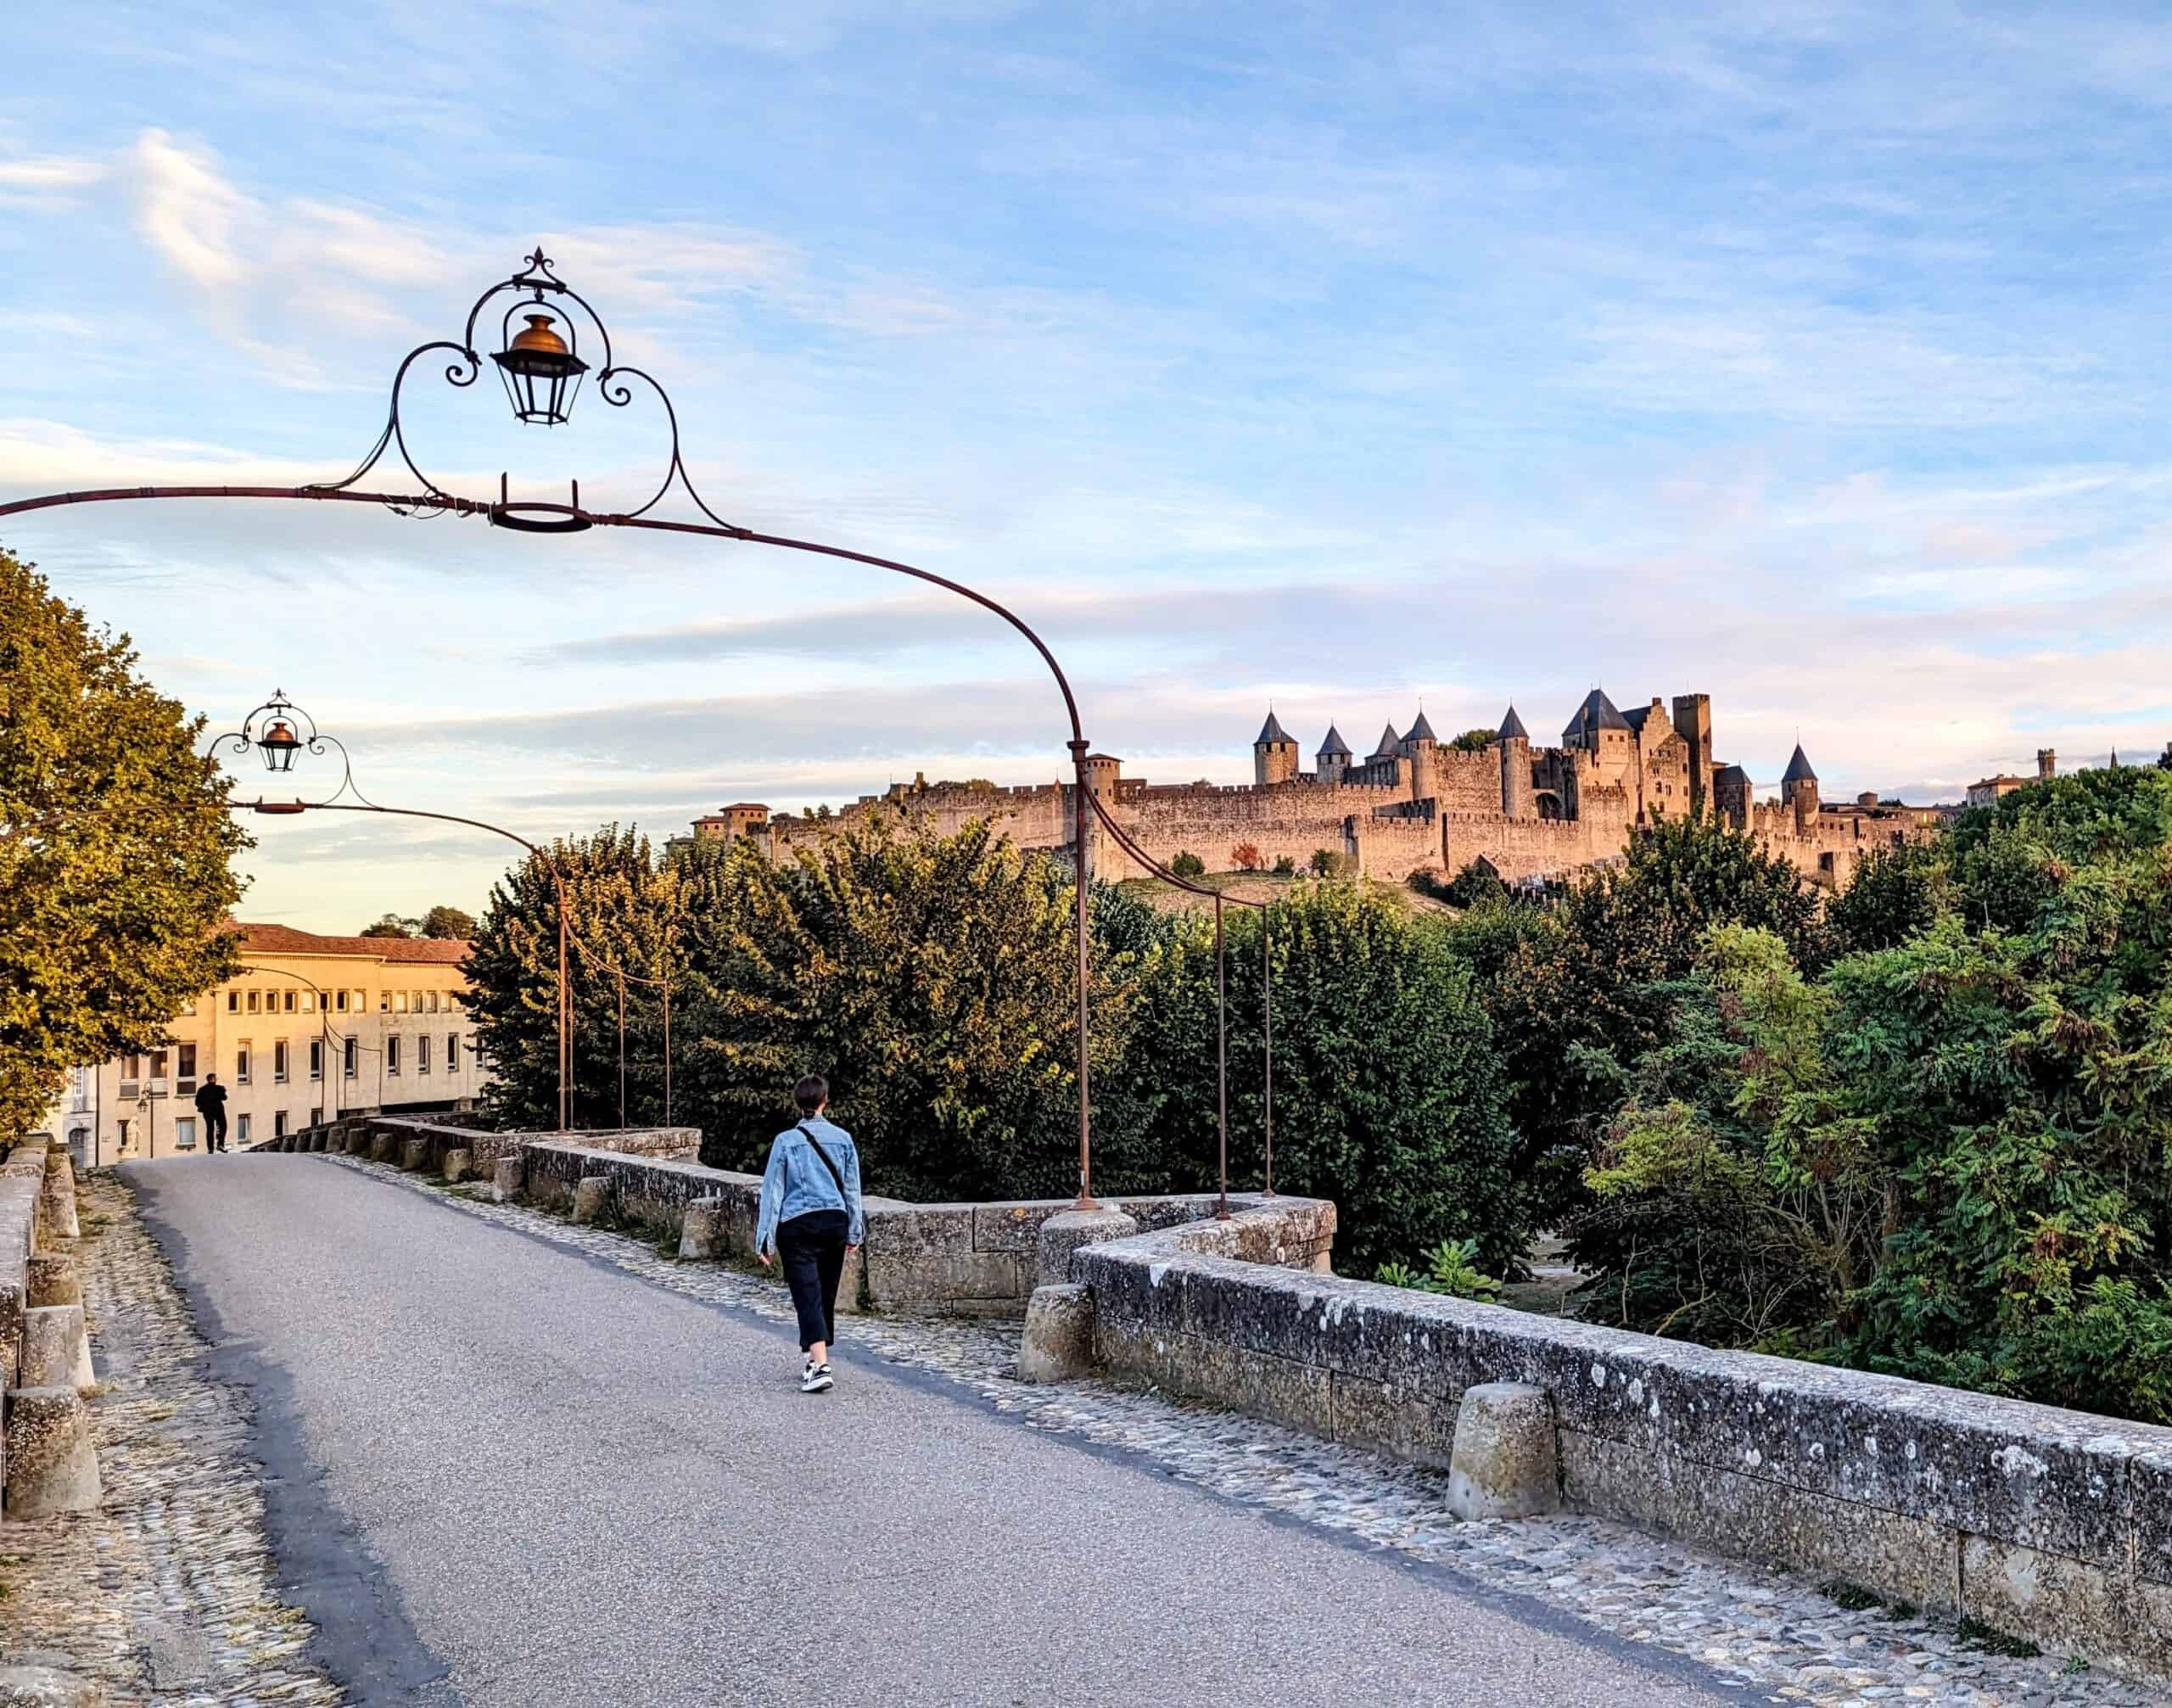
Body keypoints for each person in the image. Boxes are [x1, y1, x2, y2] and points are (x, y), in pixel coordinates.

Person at [754, 1074, 864, 1393]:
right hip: (834, 1222)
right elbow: (852, 1189)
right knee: (824, 1293)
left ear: (798, 1102)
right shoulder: (843, 1138)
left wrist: (765, 1238)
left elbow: (773, 1191)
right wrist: (855, 1231)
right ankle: (814, 1360)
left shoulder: (786, 1141)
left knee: (807, 1293)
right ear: (825, 1100)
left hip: (797, 1224)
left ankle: (821, 1365)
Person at [194, 1072, 229, 1154]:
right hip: (218, 1110)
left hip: (207, 1112)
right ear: (213, 1079)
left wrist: (203, 1106)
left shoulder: (202, 1090)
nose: (216, 1079)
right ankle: (220, 1144)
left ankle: (210, 1148)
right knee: (222, 1126)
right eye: (215, 1078)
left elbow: (197, 1102)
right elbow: (224, 1098)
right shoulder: (219, 1088)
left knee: (210, 1129)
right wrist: (223, 1091)